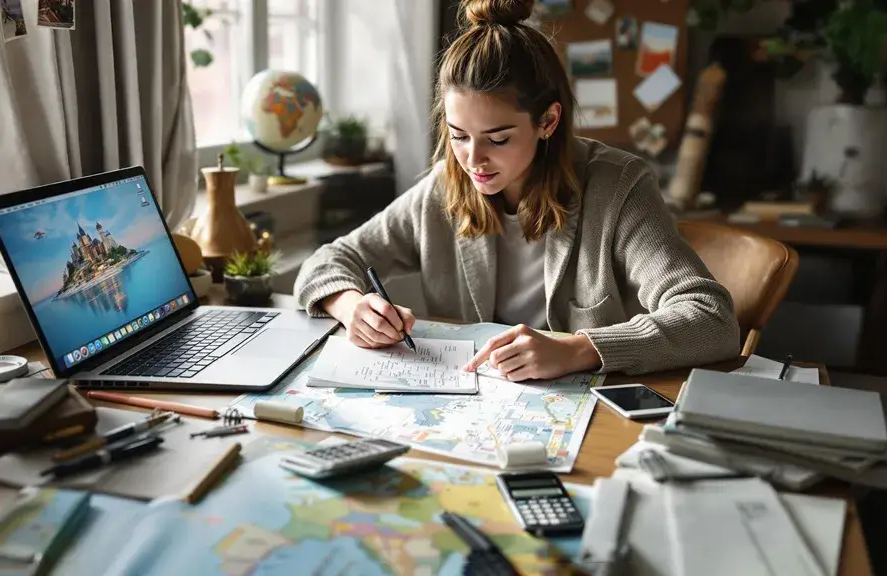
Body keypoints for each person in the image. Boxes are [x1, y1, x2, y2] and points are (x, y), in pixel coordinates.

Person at [293, 0, 740, 379]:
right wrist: (350, 305)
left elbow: (711, 319)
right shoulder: (445, 187)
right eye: (458, 134)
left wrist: (579, 350)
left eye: (498, 138)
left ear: (548, 121)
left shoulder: (617, 187)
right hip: (482, 411)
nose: (472, 159)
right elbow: (328, 261)